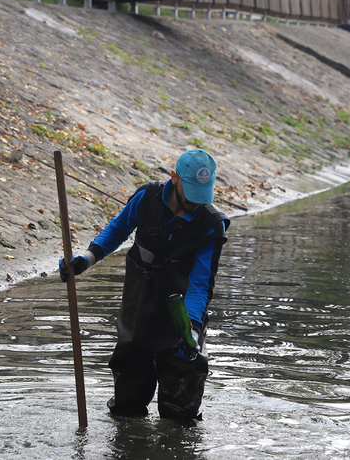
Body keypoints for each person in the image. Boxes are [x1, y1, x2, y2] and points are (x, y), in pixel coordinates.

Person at [59, 148, 230, 422]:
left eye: (203, 193)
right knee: (127, 405)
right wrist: (86, 259)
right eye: (192, 192)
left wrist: (193, 332)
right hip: (137, 310)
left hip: (181, 318)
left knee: (181, 415)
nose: (197, 202)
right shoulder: (147, 197)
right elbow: (118, 229)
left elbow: (200, 285)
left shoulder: (212, 225)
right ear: (175, 177)